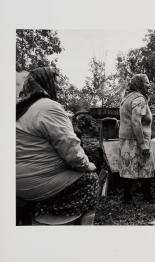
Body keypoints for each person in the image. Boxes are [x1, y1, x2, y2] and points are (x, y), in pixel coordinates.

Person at [16, 67, 99, 224]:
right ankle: (73, 229)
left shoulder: (21, 108)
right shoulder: (48, 107)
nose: (59, 87)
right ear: (47, 83)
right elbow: (71, 151)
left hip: (14, 180)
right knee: (90, 180)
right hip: (34, 184)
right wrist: (87, 165)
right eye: (57, 82)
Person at [119, 74, 155, 204]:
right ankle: (146, 196)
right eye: (146, 82)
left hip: (126, 138)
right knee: (146, 166)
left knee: (127, 167)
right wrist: (142, 144)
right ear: (139, 84)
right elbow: (136, 122)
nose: (149, 84)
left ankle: (127, 197)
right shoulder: (139, 99)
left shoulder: (127, 97)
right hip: (137, 139)